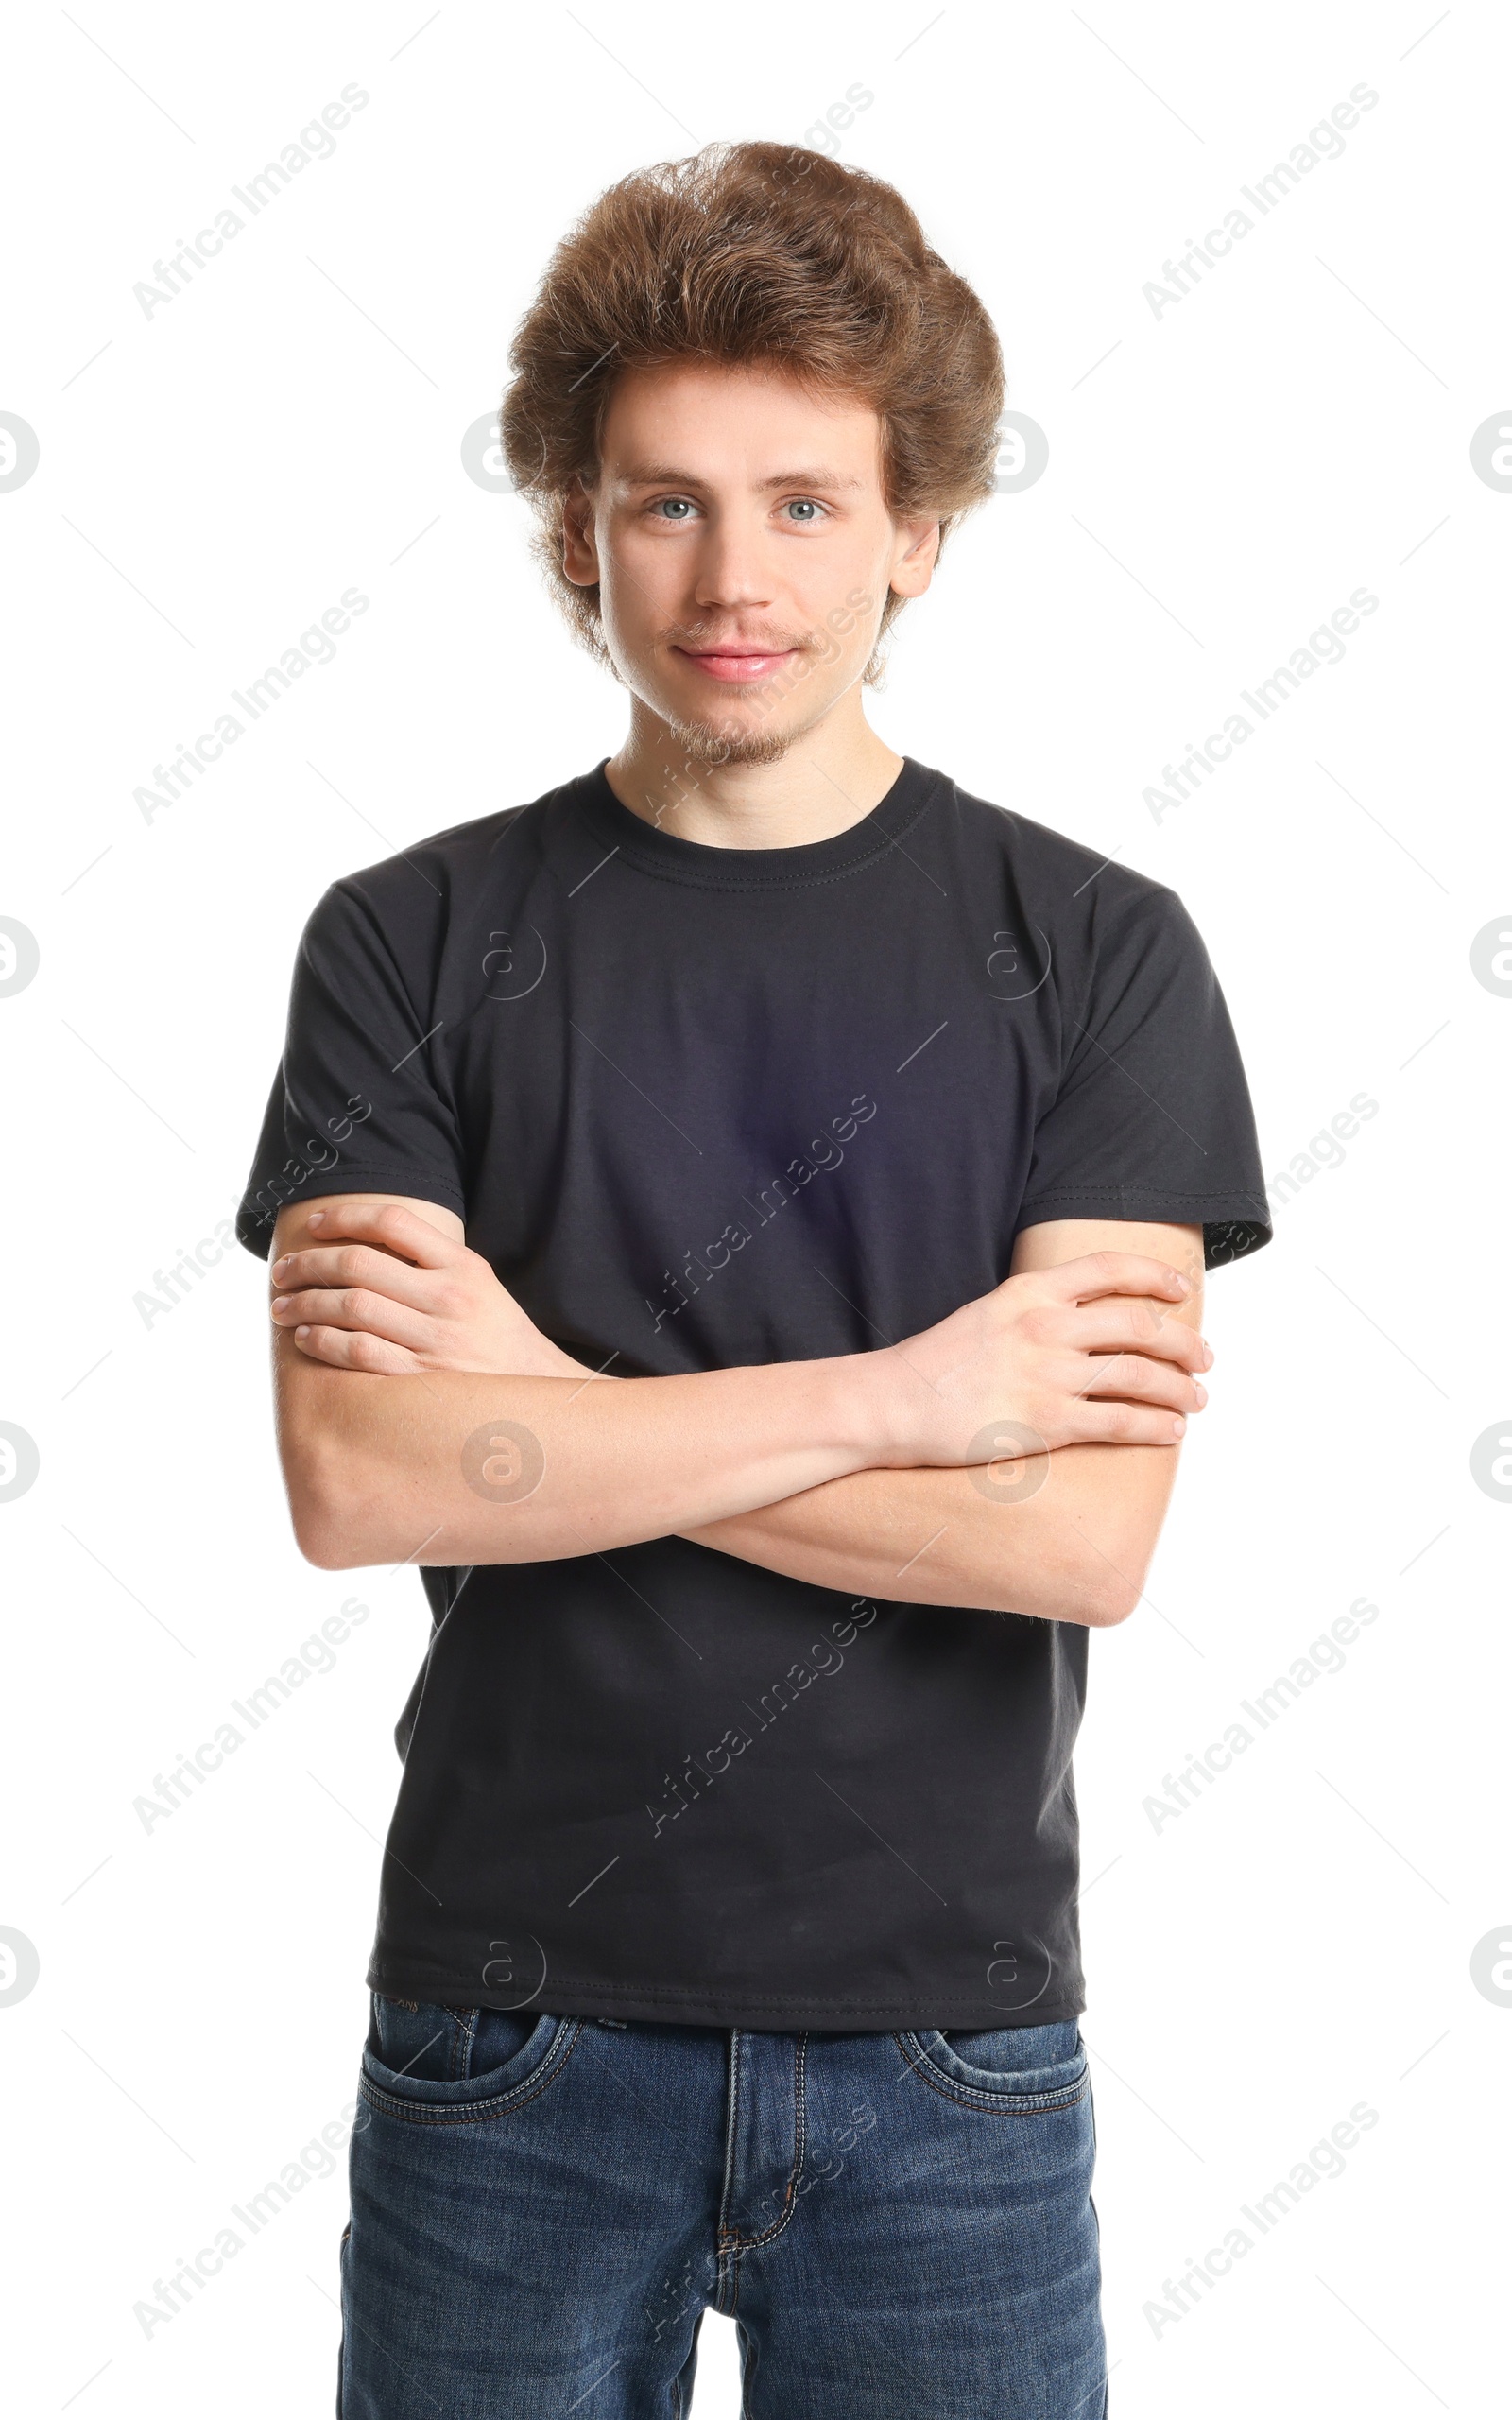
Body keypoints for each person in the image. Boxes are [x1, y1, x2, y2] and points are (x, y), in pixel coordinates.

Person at [237, 141, 1270, 2419]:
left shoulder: (1094, 955)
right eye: (664, 502)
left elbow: (1076, 1535)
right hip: (509, 2035)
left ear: (916, 528)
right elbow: (358, 1474)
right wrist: (916, 1395)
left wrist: (545, 1400)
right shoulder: (407, 946)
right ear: (572, 532)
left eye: (803, 504)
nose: (732, 577)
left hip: (950, 2052)